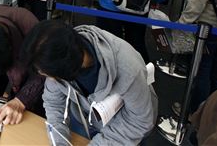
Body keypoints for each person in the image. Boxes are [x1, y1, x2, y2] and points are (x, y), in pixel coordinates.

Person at [24, 20, 157, 145]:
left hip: (125, 126)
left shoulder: (129, 69)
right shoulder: (59, 54)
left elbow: (138, 122)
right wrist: (59, 142)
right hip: (87, 117)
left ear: (66, 72)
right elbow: (53, 103)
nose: (45, 76)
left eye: (46, 73)